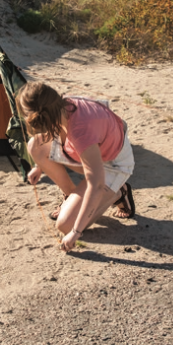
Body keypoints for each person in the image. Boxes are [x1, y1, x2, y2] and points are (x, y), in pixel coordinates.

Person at [16, 82, 135, 253]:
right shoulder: (60, 107)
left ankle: (118, 192)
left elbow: (96, 184)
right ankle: (72, 197)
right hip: (90, 153)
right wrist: (39, 166)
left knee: (65, 225)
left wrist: (75, 231)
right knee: (35, 145)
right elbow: (47, 139)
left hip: (113, 164)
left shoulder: (81, 131)